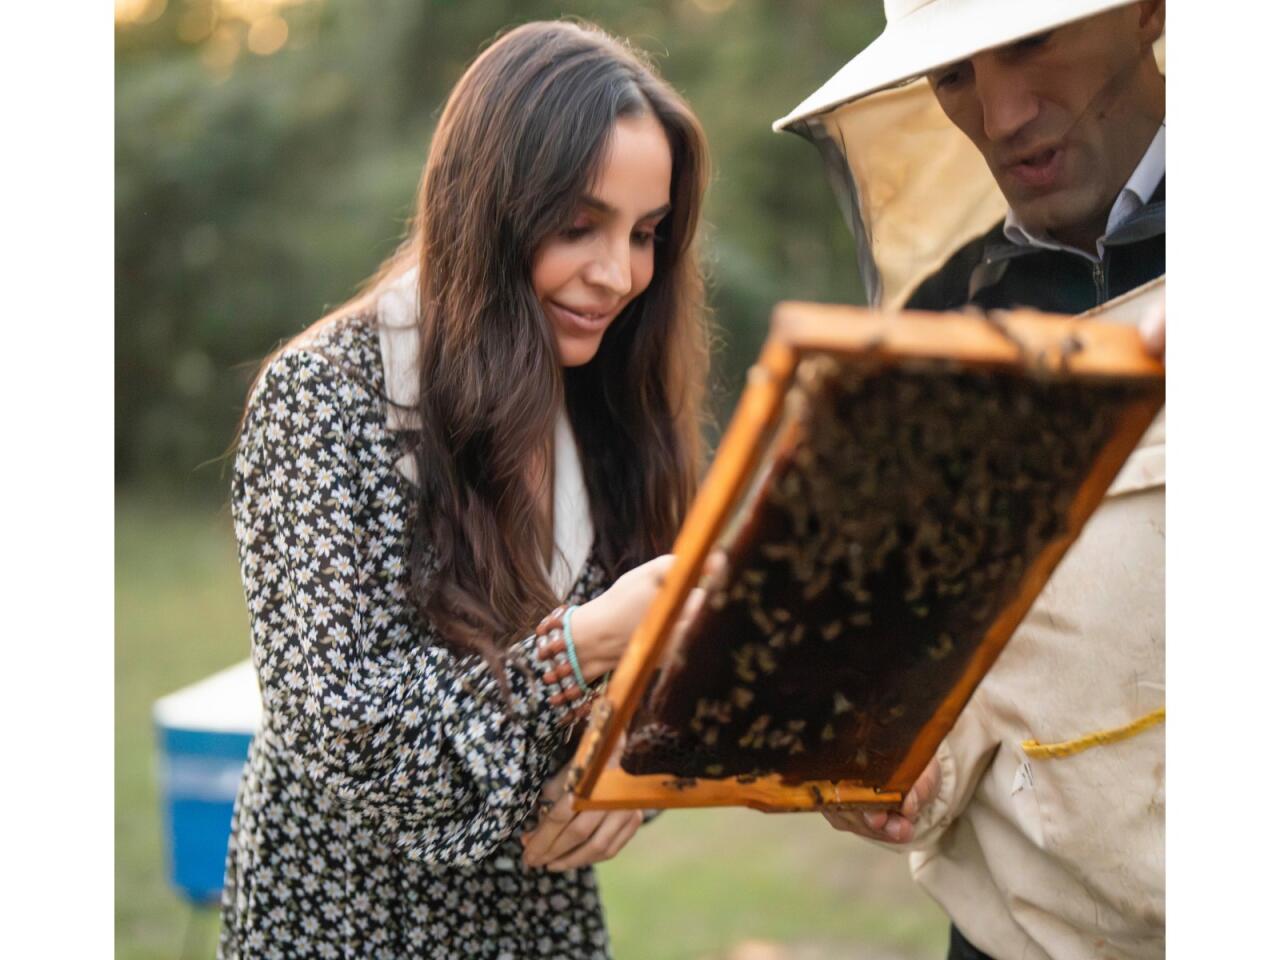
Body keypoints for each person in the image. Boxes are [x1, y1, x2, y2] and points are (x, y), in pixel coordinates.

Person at [218, 21, 711, 959]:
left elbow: (664, 700)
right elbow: (344, 733)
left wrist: (629, 788)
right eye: (579, 225)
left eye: (646, 234)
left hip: (536, 920)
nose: (618, 276)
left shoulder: (611, 398)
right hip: (346, 924)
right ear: (488, 207)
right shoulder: (323, 396)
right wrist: (583, 645)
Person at [776, 3, 1166, 959]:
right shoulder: (938, 323)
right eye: (954, 74)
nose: (1001, 115)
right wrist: (875, 764)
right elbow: (892, 662)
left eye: (1030, 41)